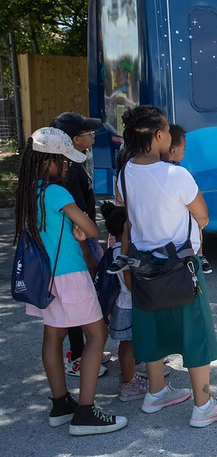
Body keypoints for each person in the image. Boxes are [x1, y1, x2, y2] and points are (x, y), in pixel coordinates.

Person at [118, 105, 217, 428]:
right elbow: (203, 215)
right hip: (180, 266)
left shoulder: (125, 172)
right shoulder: (175, 174)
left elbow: (129, 215)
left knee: (153, 329)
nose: (171, 135)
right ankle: (204, 405)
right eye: (167, 130)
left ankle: (156, 392)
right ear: (158, 136)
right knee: (195, 333)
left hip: (143, 267)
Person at [15, 127, 127, 434]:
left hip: (47, 279)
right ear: (47, 160)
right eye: (63, 161)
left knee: (53, 337)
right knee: (96, 335)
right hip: (71, 275)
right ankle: (86, 412)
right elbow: (91, 228)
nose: (67, 166)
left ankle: (61, 404)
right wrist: (81, 230)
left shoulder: (30, 193)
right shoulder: (57, 193)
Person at [49, 111, 110, 378]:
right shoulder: (68, 174)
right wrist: (87, 250)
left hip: (81, 246)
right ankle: (77, 356)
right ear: (74, 139)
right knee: (76, 311)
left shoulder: (76, 165)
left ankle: (82, 350)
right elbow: (79, 222)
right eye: (87, 132)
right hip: (77, 248)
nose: (92, 135)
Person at [98, 202, 148, 402]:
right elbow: (128, 282)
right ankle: (128, 384)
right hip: (128, 305)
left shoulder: (113, 249)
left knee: (127, 345)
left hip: (120, 305)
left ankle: (128, 378)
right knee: (129, 346)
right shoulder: (122, 253)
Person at [162, 124, 212, 274]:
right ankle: (201, 256)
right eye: (183, 149)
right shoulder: (179, 173)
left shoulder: (138, 170)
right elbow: (202, 216)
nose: (184, 152)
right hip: (184, 250)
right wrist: (201, 223)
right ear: (174, 150)